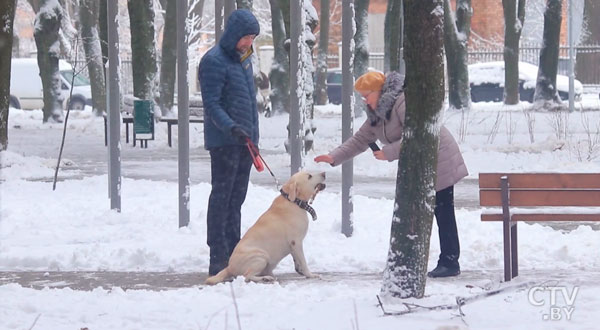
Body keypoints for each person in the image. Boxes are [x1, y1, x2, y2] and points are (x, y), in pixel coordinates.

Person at [314, 71, 468, 278]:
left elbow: (418, 134)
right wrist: (333, 157)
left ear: (379, 91)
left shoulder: (402, 103)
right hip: (418, 162)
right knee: (415, 211)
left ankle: (449, 262)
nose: (364, 100)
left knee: (442, 212)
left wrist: (388, 152)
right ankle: (412, 260)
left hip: (438, 156)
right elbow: (360, 140)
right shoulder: (377, 112)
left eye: (366, 95)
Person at [198, 9, 260, 276]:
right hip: (224, 141)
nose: (248, 42)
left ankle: (233, 253)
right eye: (245, 37)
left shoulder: (243, 60)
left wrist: (252, 138)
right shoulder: (214, 61)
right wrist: (230, 128)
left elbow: (248, 103)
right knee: (222, 198)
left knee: (237, 199)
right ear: (234, 34)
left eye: (252, 38)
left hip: (245, 142)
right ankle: (217, 256)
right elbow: (212, 104)